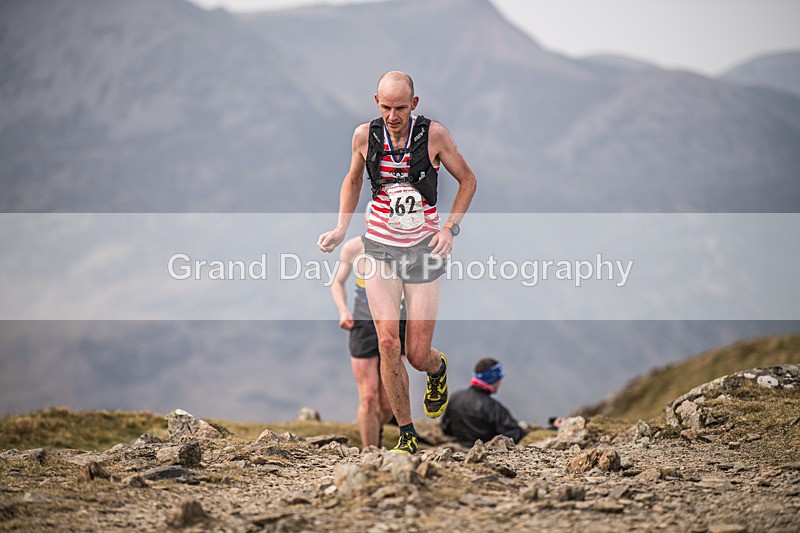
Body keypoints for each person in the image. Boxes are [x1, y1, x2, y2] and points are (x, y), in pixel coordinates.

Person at [318, 71, 477, 454]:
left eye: (400, 108)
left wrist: (449, 228)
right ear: (376, 101)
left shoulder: (434, 136)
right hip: (380, 251)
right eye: (386, 107)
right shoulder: (363, 136)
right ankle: (406, 435)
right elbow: (353, 180)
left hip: (423, 251)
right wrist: (342, 227)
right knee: (388, 341)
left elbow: (468, 180)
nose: (392, 115)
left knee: (416, 353)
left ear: (414, 104)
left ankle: (437, 370)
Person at [330, 204, 407, 449]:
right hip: (363, 323)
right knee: (368, 396)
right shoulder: (354, 248)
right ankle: (368, 453)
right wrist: (343, 310)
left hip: (395, 322)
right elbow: (337, 282)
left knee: (387, 405)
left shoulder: (404, 248)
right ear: (366, 223)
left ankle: (376, 428)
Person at [441, 358, 527, 448]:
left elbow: (446, 428)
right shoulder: (493, 408)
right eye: (499, 378)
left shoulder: (455, 397)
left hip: (459, 449)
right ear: (493, 379)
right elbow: (515, 435)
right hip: (485, 453)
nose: (500, 382)